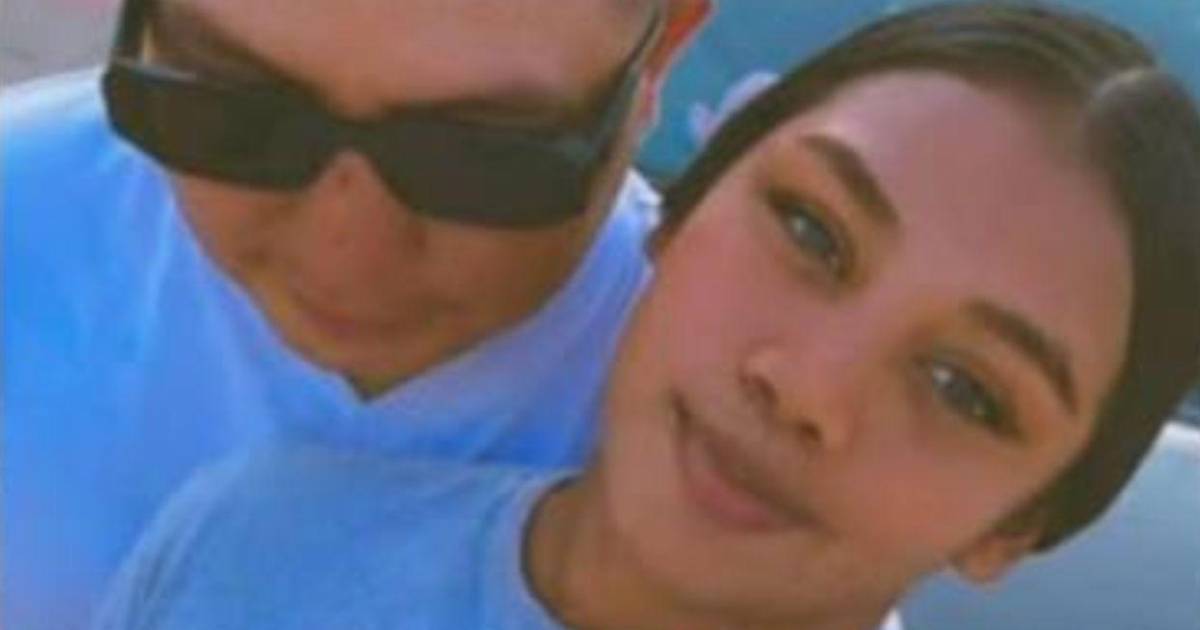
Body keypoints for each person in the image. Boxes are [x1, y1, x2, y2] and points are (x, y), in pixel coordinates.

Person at [92, 3, 1200, 629]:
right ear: (673, 215)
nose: (806, 386)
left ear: (1017, 528)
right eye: (811, 232)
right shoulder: (255, 539)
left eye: (966, 389)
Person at [0, 1, 710, 628]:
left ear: (661, 53)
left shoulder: (735, 454)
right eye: (235, 113)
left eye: (479, 157)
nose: (344, 255)